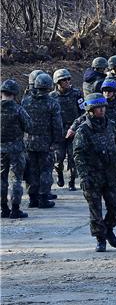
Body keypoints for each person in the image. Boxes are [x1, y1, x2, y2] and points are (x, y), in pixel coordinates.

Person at [72, 93, 116, 252]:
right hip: (93, 175)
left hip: (111, 173)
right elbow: (78, 155)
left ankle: (109, 229)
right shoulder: (84, 130)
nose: (101, 110)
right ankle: (100, 238)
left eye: (103, 107)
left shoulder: (110, 125)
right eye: (97, 108)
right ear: (90, 110)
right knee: (95, 210)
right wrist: (84, 176)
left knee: (115, 208)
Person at [22, 73, 61, 209]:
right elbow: (57, 125)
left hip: (28, 142)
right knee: (45, 171)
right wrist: (56, 142)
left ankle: (32, 199)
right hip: (46, 143)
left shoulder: (26, 101)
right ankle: (43, 199)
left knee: (31, 170)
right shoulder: (52, 103)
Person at [1, 79, 31, 219]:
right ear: (14, 94)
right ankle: (15, 209)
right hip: (16, 149)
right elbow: (29, 126)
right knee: (16, 180)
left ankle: (3, 209)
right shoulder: (18, 109)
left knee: (1, 180)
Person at [50, 69, 84, 190]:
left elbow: (83, 112)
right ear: (57, 82)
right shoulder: (52, 97)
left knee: (73, 157)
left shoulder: (77, 94)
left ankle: (72, 181)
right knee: (58, 159)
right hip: (58, 132)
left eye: (68, 79)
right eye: (64, 80)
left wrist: (76, 127)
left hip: (73, 129)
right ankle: (59, 174)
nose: (67, 82)